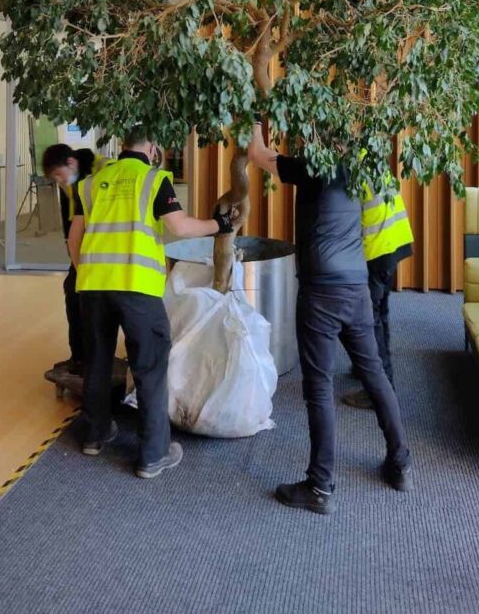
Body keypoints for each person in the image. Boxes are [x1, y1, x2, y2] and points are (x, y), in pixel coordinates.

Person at [247, 124, 413, 515]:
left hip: (321, 289)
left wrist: (256, 122)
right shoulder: (358, 169)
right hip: (356, 283)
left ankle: (320, 487)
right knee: (374, 373)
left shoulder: (311, 166)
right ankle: (401, 463)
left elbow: (258, 154)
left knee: (319, 388)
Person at [68, 128, 235, 478]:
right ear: (153, 148)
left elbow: (75, 237)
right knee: (150, 366)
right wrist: (217, 225)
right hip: (137, 287)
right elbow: (180, 226)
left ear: (123, 146)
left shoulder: (92, 182)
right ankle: (152, 454)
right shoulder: (153, 178)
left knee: (97, 360)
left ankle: (95, 436)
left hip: (94, 286)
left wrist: (87, 272)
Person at [342, 174, 414, 407]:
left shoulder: (348, 169)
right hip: (394, 241)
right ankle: (367, 369)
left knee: (368, 320)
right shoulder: (369, 157)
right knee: (379, 313)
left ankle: (380, 389)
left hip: (377, 250)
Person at [42, 143, 107, 376]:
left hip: (106, 250)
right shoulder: (70, 183)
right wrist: (75, 259)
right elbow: (69, 220)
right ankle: (79, 357)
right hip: (83, 250)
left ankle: (98, 357)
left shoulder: (102, 170)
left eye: (59, 175)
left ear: (71, 163)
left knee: (98, 304)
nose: (59, 182)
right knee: (73, 293)